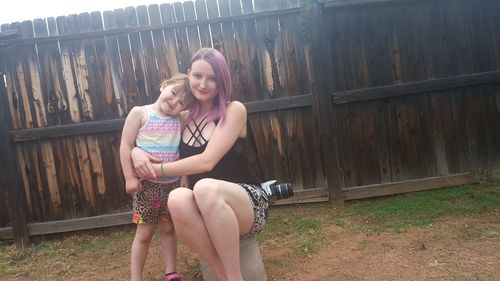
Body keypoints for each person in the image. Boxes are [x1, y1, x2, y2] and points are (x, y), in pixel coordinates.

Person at [131, 48, 269, 281]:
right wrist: (135, 151)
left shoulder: (233, 110)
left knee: (204, 186)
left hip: (247, 203)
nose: (203, 84)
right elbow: (148, 137)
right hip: (205, 207)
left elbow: (207, 161)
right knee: (176, 198)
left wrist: (158, 170)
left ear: (222, 80)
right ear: (188, 74)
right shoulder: (181, 117)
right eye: (197, 76)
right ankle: (222, 275)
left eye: (212, 78)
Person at [120, 73, 195, 281]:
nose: (174, 102)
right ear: (163, 85)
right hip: (146, 188)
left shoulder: (179, 120)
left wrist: (183, 175)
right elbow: (125, 145)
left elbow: (183, 150)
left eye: (181, 103)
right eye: (173, 93)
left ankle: (171, 273)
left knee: (169, 228)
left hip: (171, 186)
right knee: (143, 234)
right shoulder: (140, 113)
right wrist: (129, 178)